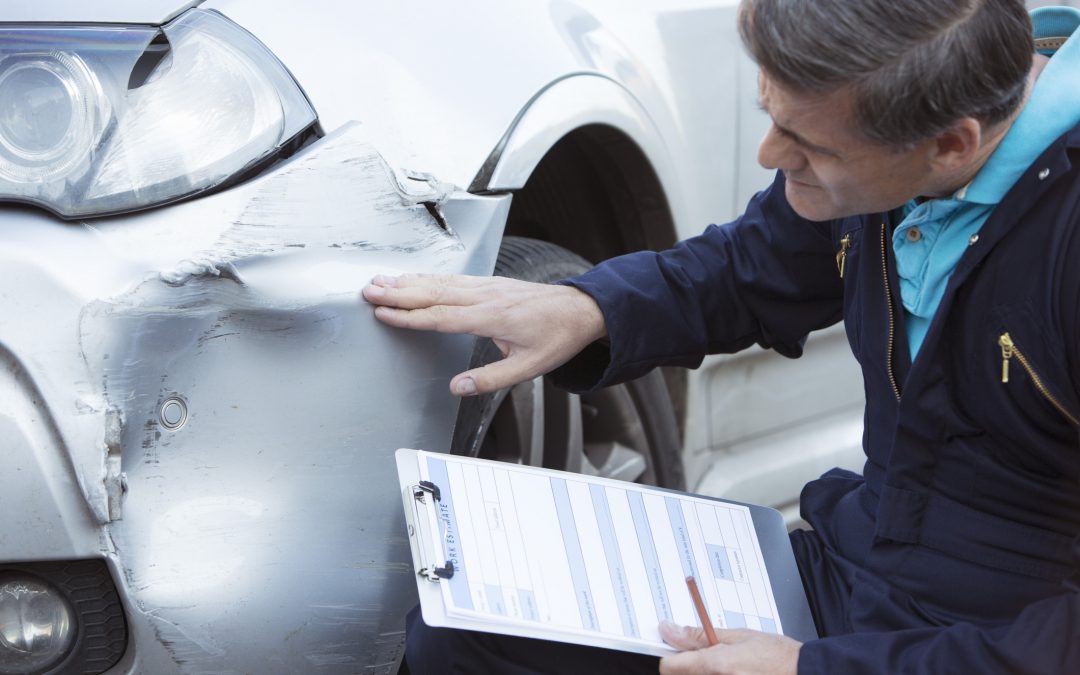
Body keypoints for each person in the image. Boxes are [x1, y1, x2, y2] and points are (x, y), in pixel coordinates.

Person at [363, 0, 1080, 672]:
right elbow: (754, 266)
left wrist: (812, 666)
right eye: (769, 115)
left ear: (950, 145)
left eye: (806, 145)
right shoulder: (897, 142)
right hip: (854, 574)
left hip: (998, 639)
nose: (770, 155)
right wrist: (586, 308)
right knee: (470, 628)